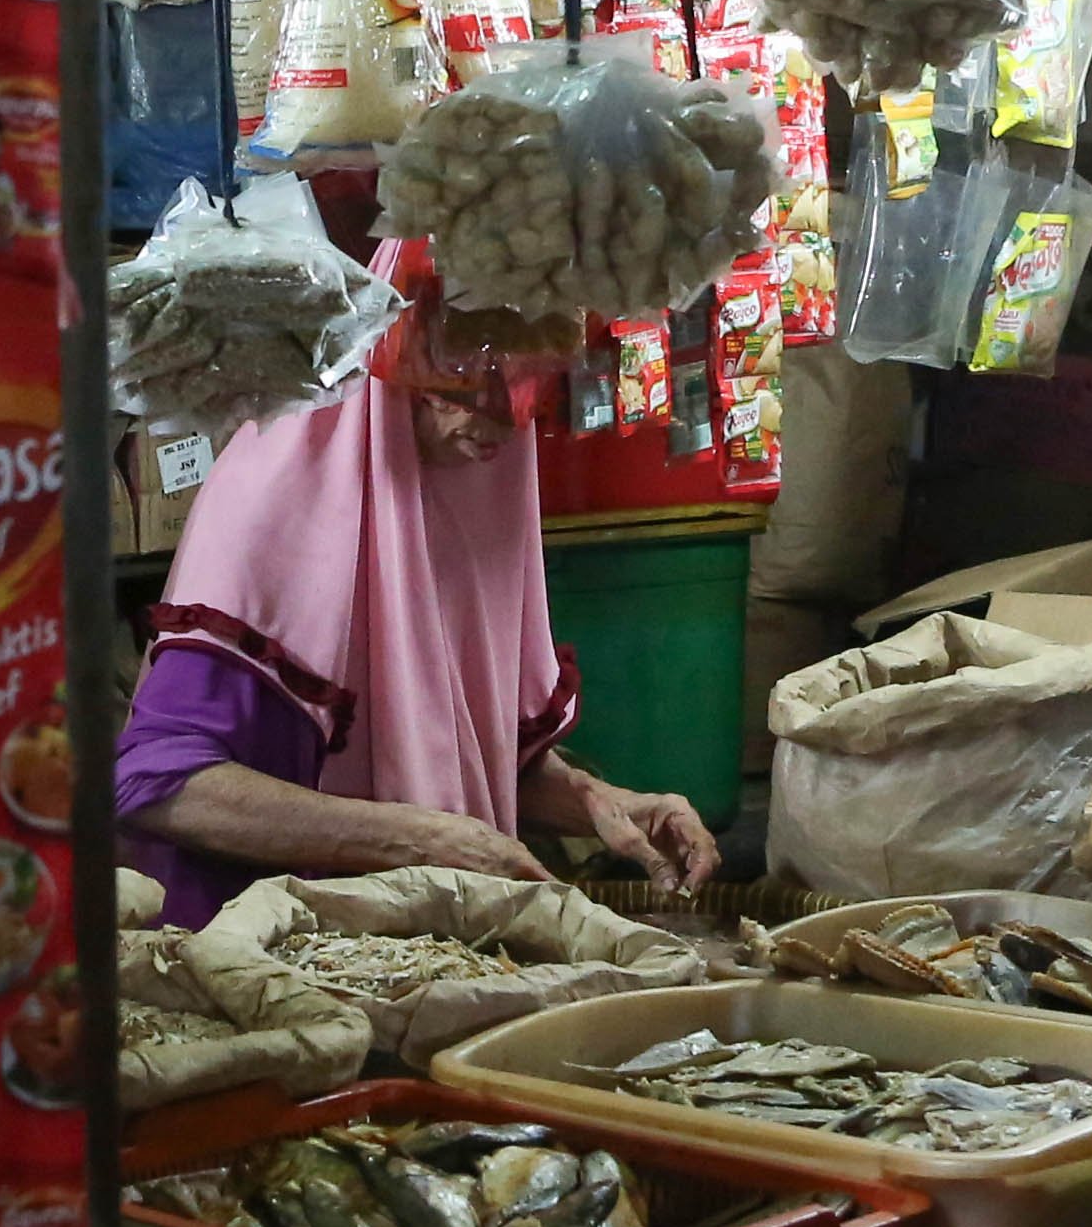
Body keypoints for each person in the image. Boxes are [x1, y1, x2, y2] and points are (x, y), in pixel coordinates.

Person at [117, 259, 722, 926]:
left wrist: (598, 803)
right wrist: (416, 840)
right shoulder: (276, 505)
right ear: (392, 367)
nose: (500, 420)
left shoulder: (467, 499)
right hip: (260, 951)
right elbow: (157, 783)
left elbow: (450, 749)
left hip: (403, 950)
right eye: (461, 386)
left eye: (527, 389)